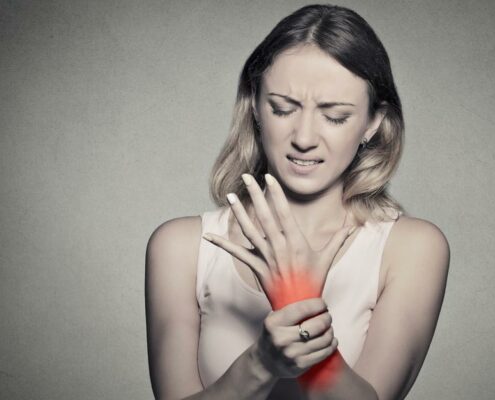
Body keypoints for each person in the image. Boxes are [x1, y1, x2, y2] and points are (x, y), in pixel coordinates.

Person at [145, 4, 450, 400]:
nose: (304, 136)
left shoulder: (411, 248)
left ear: (373, 123)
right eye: (283, 108)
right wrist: (262, 363)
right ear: (255, 106)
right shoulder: (181, 247)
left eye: (335, 116)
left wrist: (301, 307)